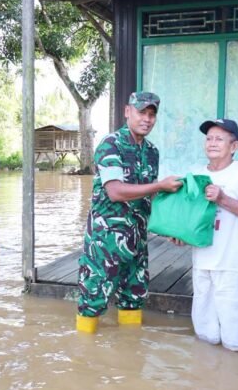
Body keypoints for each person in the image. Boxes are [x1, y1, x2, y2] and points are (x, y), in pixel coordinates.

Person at [75, 91, 181, 333]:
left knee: (134, 296)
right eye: (142, 112)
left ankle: (132, 356)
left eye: (152, 114)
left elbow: (149, 196)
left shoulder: (151, 151)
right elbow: (115, 191)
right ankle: (82, 358)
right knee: (93, 299)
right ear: (127, 112)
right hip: (105, 241)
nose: (147, 119)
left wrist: (170, 230)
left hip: (137, 239)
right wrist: (160, 185)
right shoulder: (111, 144)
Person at [170, 119, 238, 351]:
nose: (212, 143)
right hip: (203, 265)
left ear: (234, 146)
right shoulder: (195, 174)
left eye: (219, 139)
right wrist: (180, 235)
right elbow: (189, 218)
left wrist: (223, 199)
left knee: (237, 342)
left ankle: (234, 381)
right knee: (206, 336)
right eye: (209, 138)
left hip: (235, 266)